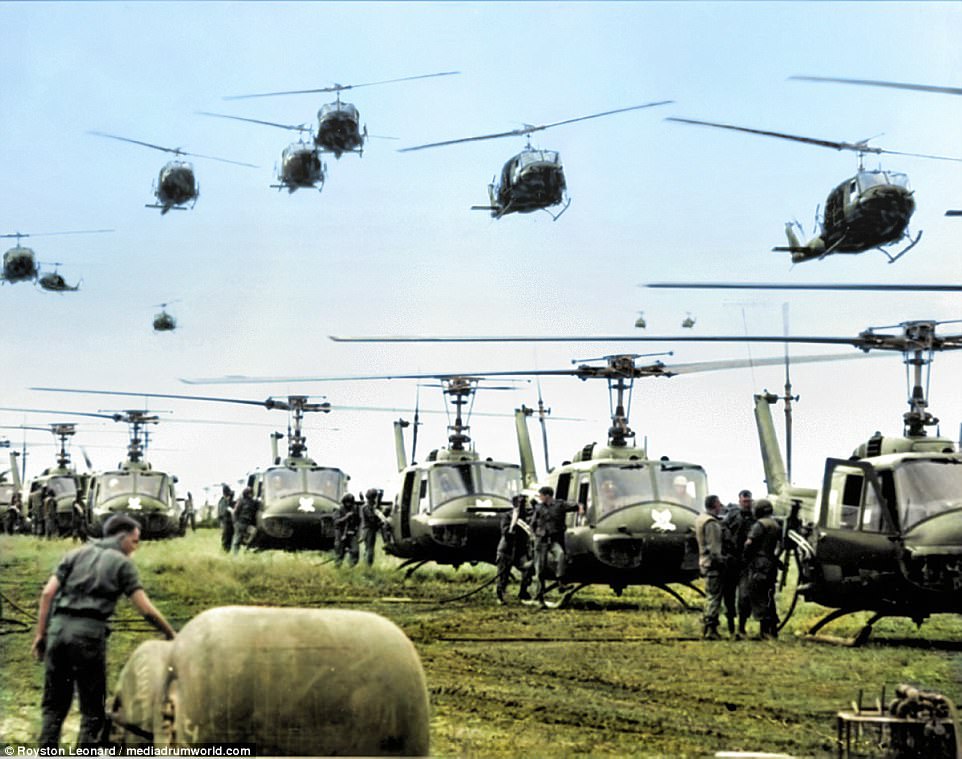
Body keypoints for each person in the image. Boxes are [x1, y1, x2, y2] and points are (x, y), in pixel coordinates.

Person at [32, 514, 176, 748]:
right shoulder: (122, 564)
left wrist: (41, 635)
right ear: (122, 537)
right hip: (88, 637)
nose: (135, 548)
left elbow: (48, 593)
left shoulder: (75, 554)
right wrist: (171, 633)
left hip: (58, 630)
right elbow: (146, 610)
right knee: (92, 711)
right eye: (134, 541)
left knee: (53, 707)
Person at [530, 486, 583, 606]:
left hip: (553, 540)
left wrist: (580, 509)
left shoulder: (559, 505)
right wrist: (534, 536)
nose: (540, 498)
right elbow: (532, 524)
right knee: (540, 570)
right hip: (541, 541)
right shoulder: (538, 508)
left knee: (561, 555)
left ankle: (561, 582)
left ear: (547, 495)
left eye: (541, 495)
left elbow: (576, 505)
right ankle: (539, 598)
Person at [743, 498, 782, 640]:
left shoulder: (759, 525)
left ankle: (764, 631)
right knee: (769, 596)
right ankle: (772, 630)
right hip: (771, 564)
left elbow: (749, 543)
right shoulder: (776, 525)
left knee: (759, 596)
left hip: (759, 565)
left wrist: (746, 557)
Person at [722, 489, 755, 639]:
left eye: (749, 501)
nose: (747, 504)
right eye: (744, 501)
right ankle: (730, 626)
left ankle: (741, 627)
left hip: (746, 562)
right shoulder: (732, 516)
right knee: (728, 596)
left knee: (744, 597)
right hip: (731, 561)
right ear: (740, 501)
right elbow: (723, 530)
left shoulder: (755, 517)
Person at [694, 494, 726, 640]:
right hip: (712, 565)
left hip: (704, 562)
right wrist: (722, 562)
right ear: (714, 505)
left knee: (710, 596)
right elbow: (714, 548)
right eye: (719, 504)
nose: (721, 507)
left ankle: (707, 627)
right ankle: (711, 628)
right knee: (714, 597)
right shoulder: (711, 523)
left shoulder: (701, 519)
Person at [495, 494, 534, 604]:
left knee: (528, 568)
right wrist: (514, 520)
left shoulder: (528, 517)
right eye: (523, 503)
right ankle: (500, 595)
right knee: (503, 574)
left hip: (520, 550)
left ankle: (523, 592)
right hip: (506, 550)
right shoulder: (507, 516)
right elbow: (507, 533)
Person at [231, 487, 261, 555]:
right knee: (237, 539)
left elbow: (258, 505)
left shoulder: (252, 502)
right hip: (240, 523)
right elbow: (235, 512)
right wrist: (235, 523)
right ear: (247, 494)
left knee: (254, 532)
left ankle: (246, 548)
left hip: (248, 524)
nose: (252, 494)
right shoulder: (241, 501)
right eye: (251, 493)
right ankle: (235, 555)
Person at [359, 488, 385, 567]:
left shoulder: (370, 507)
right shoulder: (366, 507)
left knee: (369, 548)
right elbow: (372, 518)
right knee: (369, 549)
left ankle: (367, 565)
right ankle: (367, 566)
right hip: (368, 529)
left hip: (370, 529)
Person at [333, 493, 360, 567]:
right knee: (339, 553)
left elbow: (358, 521)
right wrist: (346, 517)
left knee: (355, 551)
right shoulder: (339, 509)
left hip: (351, 533)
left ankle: (351, 567)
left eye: (351, 502)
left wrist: (357, 531)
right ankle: (337, 567)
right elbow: (336, 522)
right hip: (341, 533)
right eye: (348, 502)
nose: (349, 504)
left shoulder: (355, 509)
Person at [217, 484, 235, 553]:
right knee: (225, 539)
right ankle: (224, 552)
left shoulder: (227, 501)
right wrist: (229, 509)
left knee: (229, 539)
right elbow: (223, 512)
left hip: (229, 523)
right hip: (225, 522)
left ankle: (227, 551)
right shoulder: (223, 501)